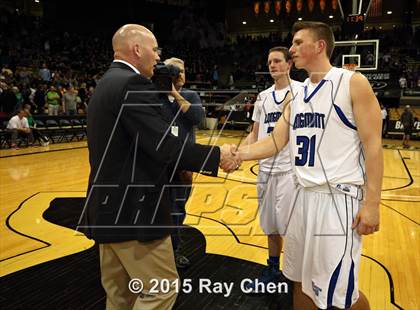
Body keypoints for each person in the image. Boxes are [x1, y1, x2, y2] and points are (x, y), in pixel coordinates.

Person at [77, 24, 239, 310]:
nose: (158, 58)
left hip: (106, 208)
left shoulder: (106, 82)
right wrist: (217, 156)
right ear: (137, 49)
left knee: (120, 294)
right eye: (154, 50)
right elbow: (165, 146)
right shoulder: (131, 83)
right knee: (161, 291)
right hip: (134, 212)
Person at [231, 21, 383, 310]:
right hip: (302, 198)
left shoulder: (351, 82)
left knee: (340, 295)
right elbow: (275, 141)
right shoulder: (297, 95)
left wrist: (372, 204)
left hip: (337, 201)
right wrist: (238, 155)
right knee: (299, 281)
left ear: (320, 46)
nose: (292, 48)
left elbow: (373, 145)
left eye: (299, 42)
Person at [240, 46, 301, 292]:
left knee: (291, 226)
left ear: (289, 64)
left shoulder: (301, 91)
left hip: (289, 170)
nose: (272, 65)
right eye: (269, 62)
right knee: (271, 225)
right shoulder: (263, 96)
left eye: (277, 61)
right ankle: (273, 267)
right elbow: (254, 134)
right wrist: (237, 154)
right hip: (265, 170)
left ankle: (296, 272)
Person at [162, 57, 205, 269]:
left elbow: (197, 117)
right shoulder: (155, 96)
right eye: (175, 70)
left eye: (183, 70)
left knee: (177, 210)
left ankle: (174, 250)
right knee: (158, 211)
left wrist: (174, 93)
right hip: (159, 165)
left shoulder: (189, 95)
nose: (180, 74)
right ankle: (158, 252)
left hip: (184, 166)